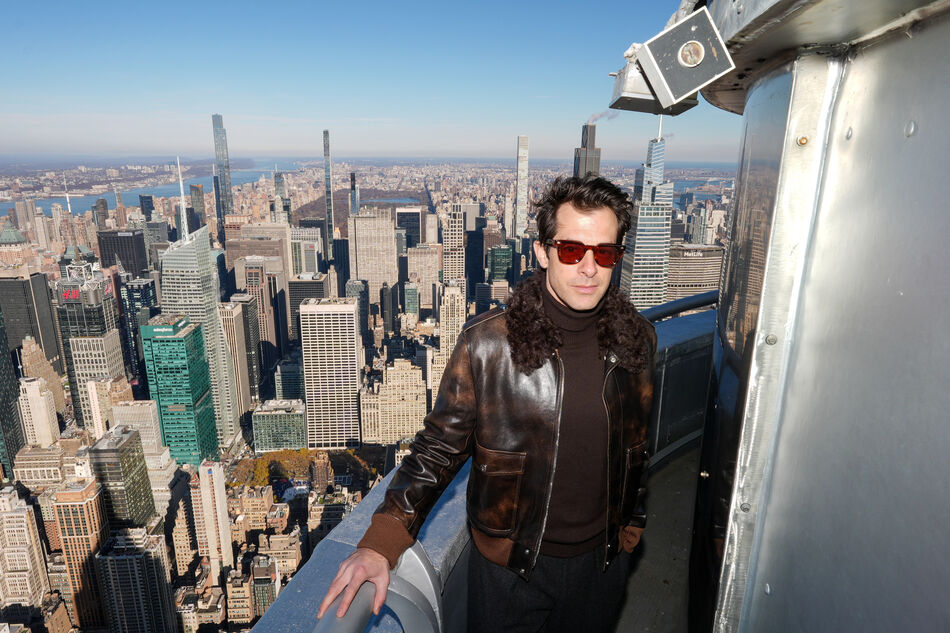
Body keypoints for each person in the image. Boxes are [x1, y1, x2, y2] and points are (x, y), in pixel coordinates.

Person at [317, 175, 656, 632]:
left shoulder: (637, 342)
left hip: (602, 566)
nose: (589, 268)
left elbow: (637, 448)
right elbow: (438, 448)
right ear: (542, 252)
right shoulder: (488, 345)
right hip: (510, 570)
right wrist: (382, 540)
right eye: (572, 250)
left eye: (605, 253)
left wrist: (632, 526)